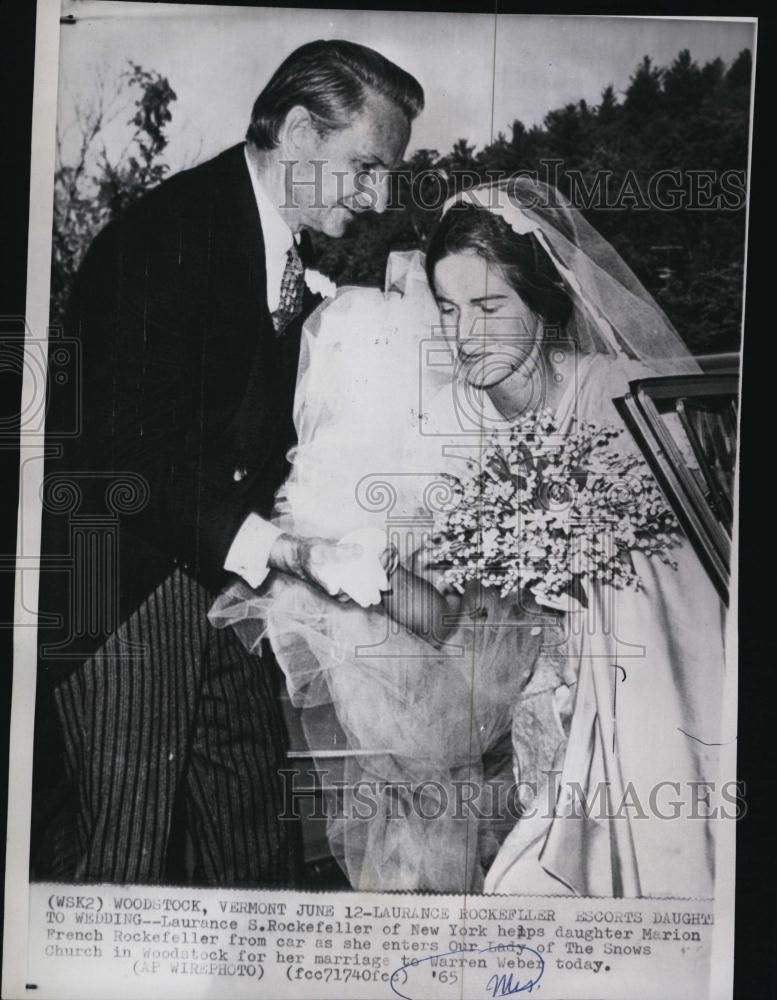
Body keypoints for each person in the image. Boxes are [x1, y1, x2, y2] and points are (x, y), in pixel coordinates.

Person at [212, 177, 727, 898]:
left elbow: (692, 577)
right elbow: (442, 614)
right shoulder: (445, 424)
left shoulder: (620, 395)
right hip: (529, 713)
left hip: (635, 693)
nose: (464, 335)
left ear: (541, 302)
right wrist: (357, 565)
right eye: (449, 309)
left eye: (489, 306)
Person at [33, 40, 422, 885]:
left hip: (221, 579)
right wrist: (283, 553)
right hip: (123, 580)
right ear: (294, 130)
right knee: (126, 856)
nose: (380, 195)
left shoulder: (284, 243)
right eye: (365, 166)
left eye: (390, 173)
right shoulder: (166, 236)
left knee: (251, 840)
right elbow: (126, 457)